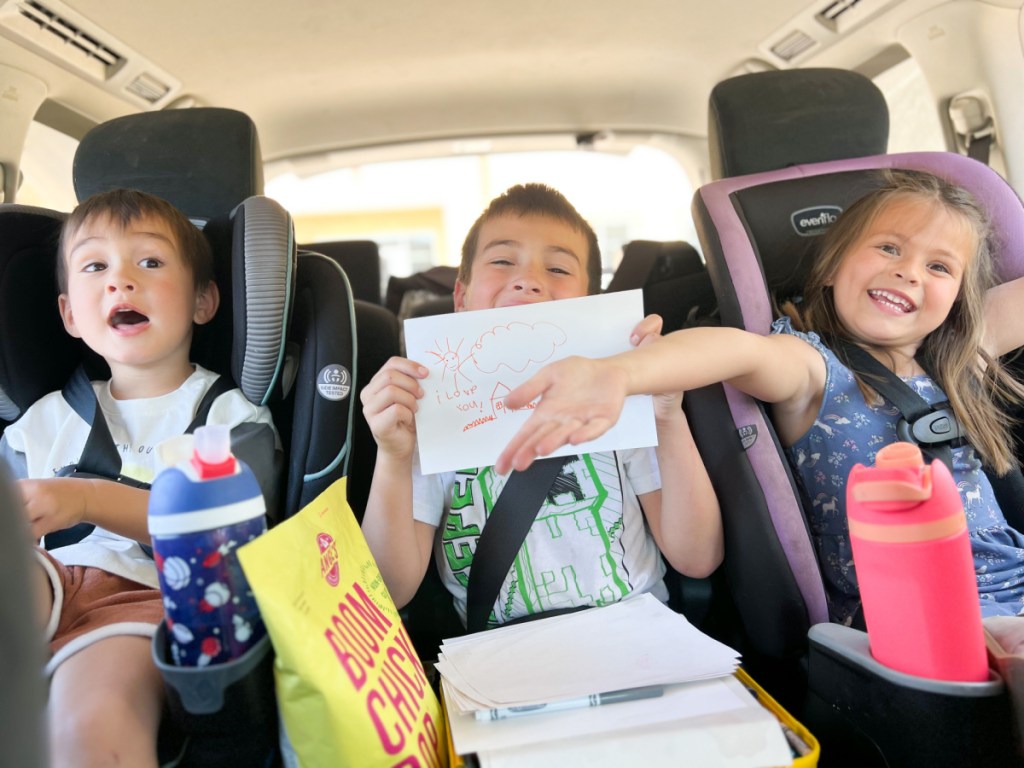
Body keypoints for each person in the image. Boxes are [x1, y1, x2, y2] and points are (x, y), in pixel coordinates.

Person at [496, 169, 1024, 631]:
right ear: (834, 264)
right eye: (889, 248)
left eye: (940, 267)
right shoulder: (813, 366)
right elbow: (735, 351)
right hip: (907, 617)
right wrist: (617, 373)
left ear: (958, 298)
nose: (909, 271)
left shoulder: (959, 362)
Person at [360, 182, 722, 628]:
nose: (529, 279)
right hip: (497, 655)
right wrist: (393, 456)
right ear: (461, 298)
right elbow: (389, 591)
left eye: (557, 268)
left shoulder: (620, 402)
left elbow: (698, 558)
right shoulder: (429, 420)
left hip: (638, 634)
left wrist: (668, 417)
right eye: (502, 260)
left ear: (591, 302)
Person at [0, 188, 278, 766]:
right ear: (71, 314)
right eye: (95, 266)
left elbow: (234, 539)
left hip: (153, 595)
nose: (120, 282)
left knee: (88, 725)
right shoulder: (39, 421)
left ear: (203, 301)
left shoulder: (230, 419)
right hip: (43, 578)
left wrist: (85, 500)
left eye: (149, 262)